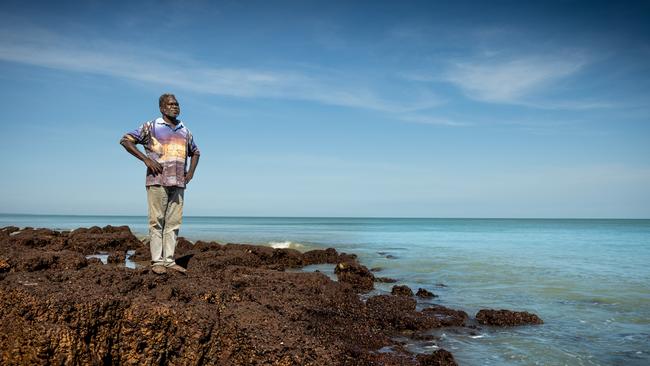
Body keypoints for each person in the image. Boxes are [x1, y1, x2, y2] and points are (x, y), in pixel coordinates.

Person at [120, 94, 200, 274]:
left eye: (177, 104)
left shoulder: (184, 130)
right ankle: (157, 261)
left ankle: (169, 261)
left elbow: (195, 152)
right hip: (157, 181)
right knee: (157, 221)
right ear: (162, 108)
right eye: (171, 104)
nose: (175, 107)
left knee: (173, 223)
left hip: (179, 183)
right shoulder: (151, 126)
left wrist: (191, 173)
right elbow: (125, 140)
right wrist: (145, 160)